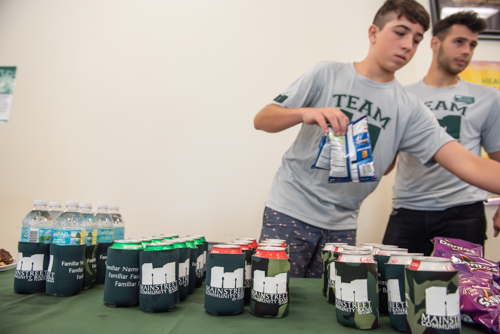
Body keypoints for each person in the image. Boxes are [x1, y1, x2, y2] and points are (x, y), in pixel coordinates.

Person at [254, 0, 500, 278]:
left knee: (329, 308)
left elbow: (467, 163)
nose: (408, 44)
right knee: (274, 296)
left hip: (343, 222)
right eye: (400, 32)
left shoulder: (411, 107)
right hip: (290, 210)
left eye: (416, 39)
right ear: (373, 33)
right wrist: (305, 113)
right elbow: (263, 119)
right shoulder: (328, 73)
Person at [382, 11, 500, 256]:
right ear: (435, 43)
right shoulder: (402, 95)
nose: (467, 50)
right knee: (394, 289)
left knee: (463, 291)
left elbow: (497, 158)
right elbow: (386, 163)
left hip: (464, 212)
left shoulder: (488, 97)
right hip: (408, 209)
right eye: (459, 42)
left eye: (472, 44)